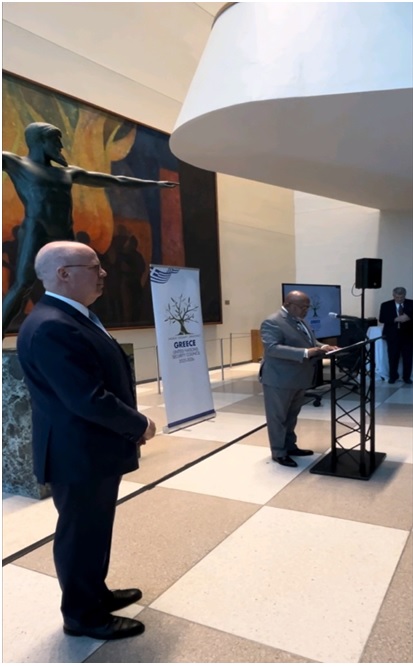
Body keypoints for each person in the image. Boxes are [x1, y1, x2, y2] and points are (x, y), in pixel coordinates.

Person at [17, 240, 157, 641]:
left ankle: (95, 592)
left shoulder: (72, 317)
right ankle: (82, 615)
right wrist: (138, 424)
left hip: (91, 448)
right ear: (63, 273)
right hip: (76, 452)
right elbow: (85, 397)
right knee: (80, 533)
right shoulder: (51, 326)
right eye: (94, 266)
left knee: (94, 528)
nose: (104, 272)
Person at [2, 121, 178, 334]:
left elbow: (116, 180)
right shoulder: (16, 164)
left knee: (84, 283)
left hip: (65, 235)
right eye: (55, 140)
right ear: (40, 141)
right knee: (23, 284)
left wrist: (154, 185)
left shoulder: (67, 173)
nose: (60, 146)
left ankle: (84, 331)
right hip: (36, 230)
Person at [259, 290, 338, 467]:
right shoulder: (273, 322)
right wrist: (305, 353)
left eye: (307, 307)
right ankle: (279, 452)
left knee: (291, 415)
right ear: (288, 305)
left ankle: (290, 446)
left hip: (297, 377)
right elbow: (272, 348)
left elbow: (310, 342)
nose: (306, 311)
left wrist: (323, 346)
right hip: (278, 379)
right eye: (302, 307)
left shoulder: (299, 320)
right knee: (278, 417)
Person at [379, 286, 413, 384]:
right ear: (393, 296)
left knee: (407, 357)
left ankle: (407, 377)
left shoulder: (411, 304)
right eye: (397, 297)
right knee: (393, 356)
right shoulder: (386, 305)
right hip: (392, 335)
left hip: (408, 335)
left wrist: (409, 317)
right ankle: (393, 376)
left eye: (401, 298)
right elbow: (382, 318)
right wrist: (395, 319)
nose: (399, 299)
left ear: (404, 296)